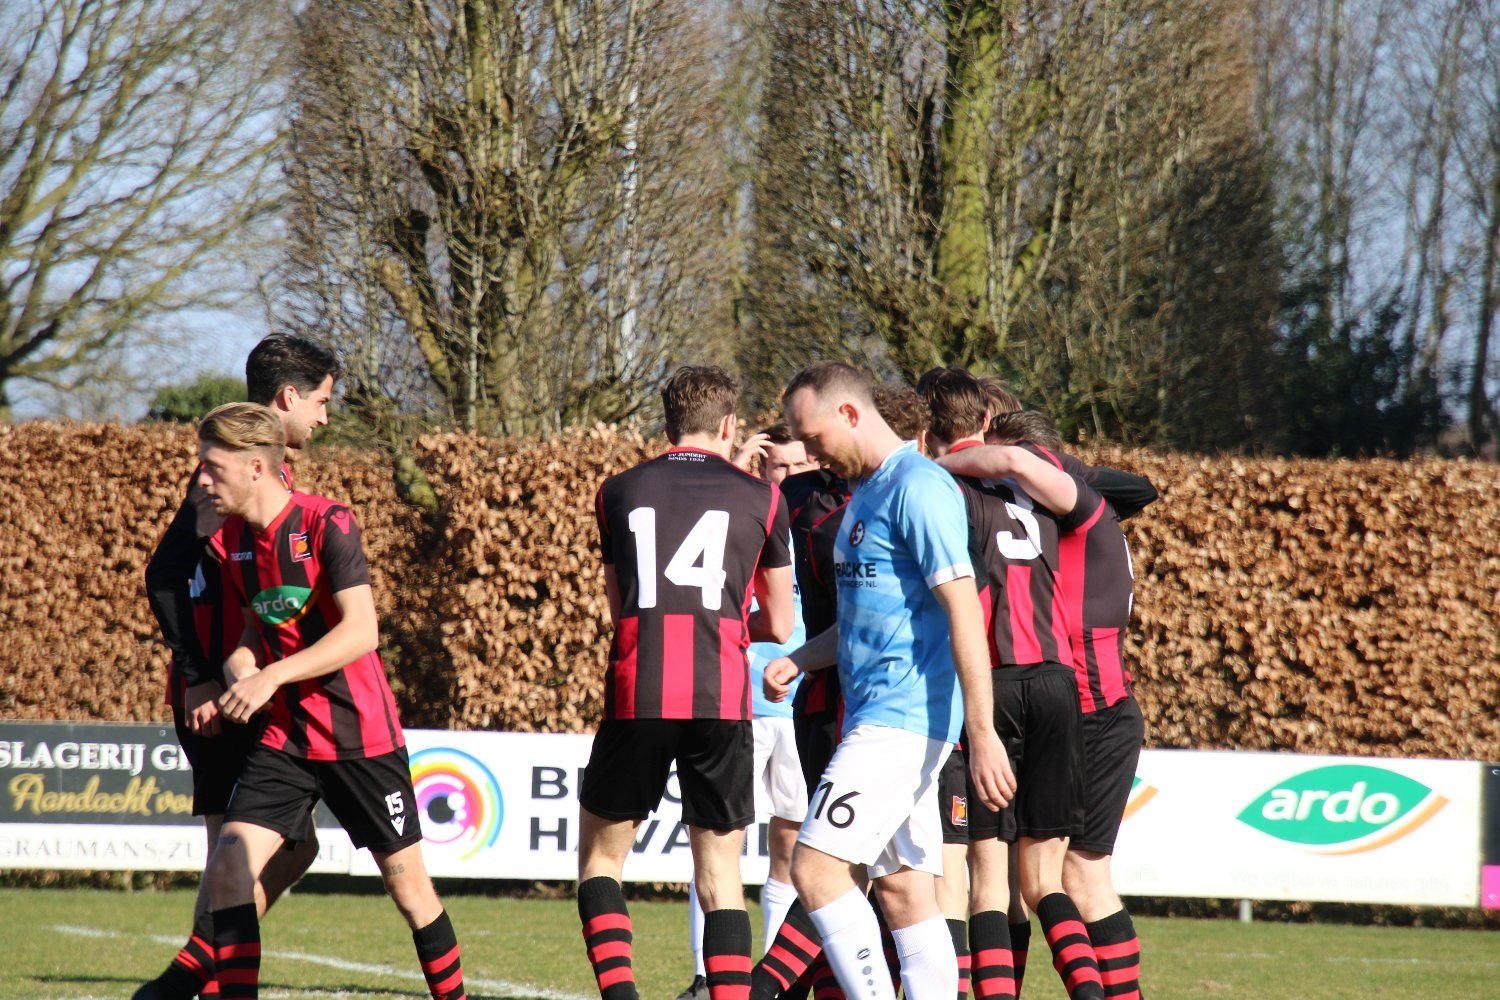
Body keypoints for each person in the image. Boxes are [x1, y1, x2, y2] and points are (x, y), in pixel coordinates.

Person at [192, 403, 466, 1000]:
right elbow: (252, 633)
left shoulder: (327, 522)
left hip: (360, 736)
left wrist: (270, 677)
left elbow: (361, 631)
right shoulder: (230, 540)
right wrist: (242, 668)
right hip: (286, 739)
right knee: (229, 867)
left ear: (256, 467)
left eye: (213, 467)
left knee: (410, 892)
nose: (202, 480)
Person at [763, 361, 1014, 1000]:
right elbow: (863, 617)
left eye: (813, 436)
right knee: (904, 892)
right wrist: (802, 659)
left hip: (901, 721)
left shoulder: (920, 487)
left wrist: (982, 732)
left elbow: (964, 609)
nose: (809, 452)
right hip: (878, 714)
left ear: (850, 413)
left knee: (815, 869)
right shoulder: (868, 492)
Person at [578, 365, 796, 1000]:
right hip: (721, 698)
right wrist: (723, 621)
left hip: (638, 693)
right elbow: (781, 623)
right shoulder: (765, 498)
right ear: (728, 424)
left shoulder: (616, 491)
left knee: (601, 862)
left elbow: (621, 607)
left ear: (669, 421)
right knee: (721, 876)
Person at [136, 335, 337, 1000]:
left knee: (295, 846)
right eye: (320, 401)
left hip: (257, 691)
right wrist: (198, 673)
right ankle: (195, 979)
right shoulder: (220, 478)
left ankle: (194, 972)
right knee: (233, 852)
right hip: (220, 695)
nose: (324, 417)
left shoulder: (271, 477)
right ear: (288, 397)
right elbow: (165, 574)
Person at [951, 407, 1159, 1000]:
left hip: (1091, 710)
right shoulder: (1073, 511)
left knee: (1075, 875)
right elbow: (1139, 487)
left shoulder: (1079, 507)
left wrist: (941, 461)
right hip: (1079, 706)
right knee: (1017, 881)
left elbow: (1023, 463)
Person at [922, 368, 1107, 1000]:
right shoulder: (1044, 483)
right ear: (985, 421)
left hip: (994, 685)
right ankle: (1090, 992)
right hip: (1058, 683)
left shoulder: (944, 490)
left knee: (989, 879)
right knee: (1045, 880)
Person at [677, 425, 818, 1000]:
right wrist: (732, 465)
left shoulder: (823, 526)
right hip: (739, 707)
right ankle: (706, 975)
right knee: (718, 847)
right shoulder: (743, 518)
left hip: (801, 709)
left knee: (792, 848)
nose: (790, 476)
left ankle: (777, 979)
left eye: (799, 465)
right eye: (778, 466)